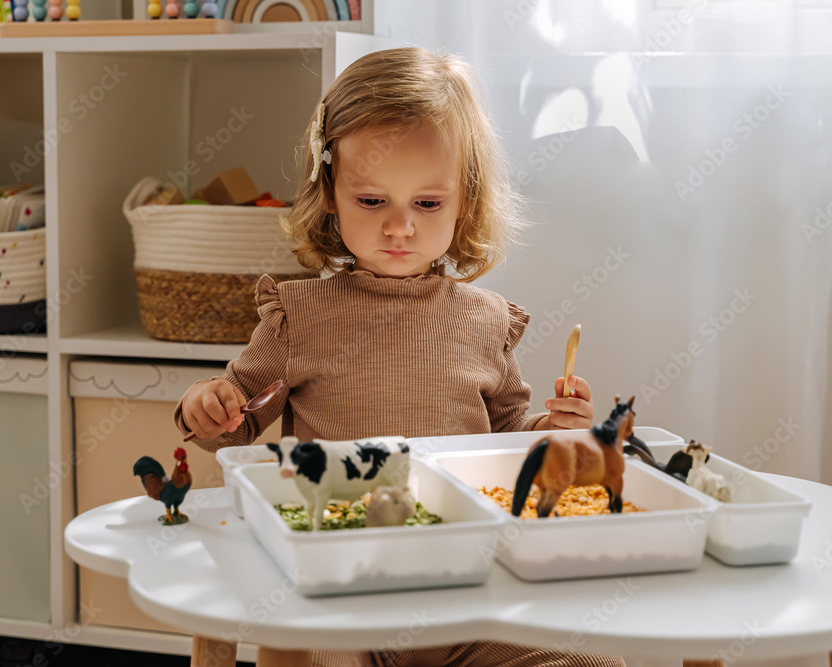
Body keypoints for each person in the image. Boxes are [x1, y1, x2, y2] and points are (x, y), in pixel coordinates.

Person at [175, 47, 623, 667]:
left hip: (471, 596)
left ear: (464, 199)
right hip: (341, 599)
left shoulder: (485, 318)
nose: (400, 228)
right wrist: (208, 407)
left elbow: (510, 439)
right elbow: (235, 424)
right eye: (372, 201)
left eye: (428, 204)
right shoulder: (298, 313)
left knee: (592, 661)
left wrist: (554, 430)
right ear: (330, 191)